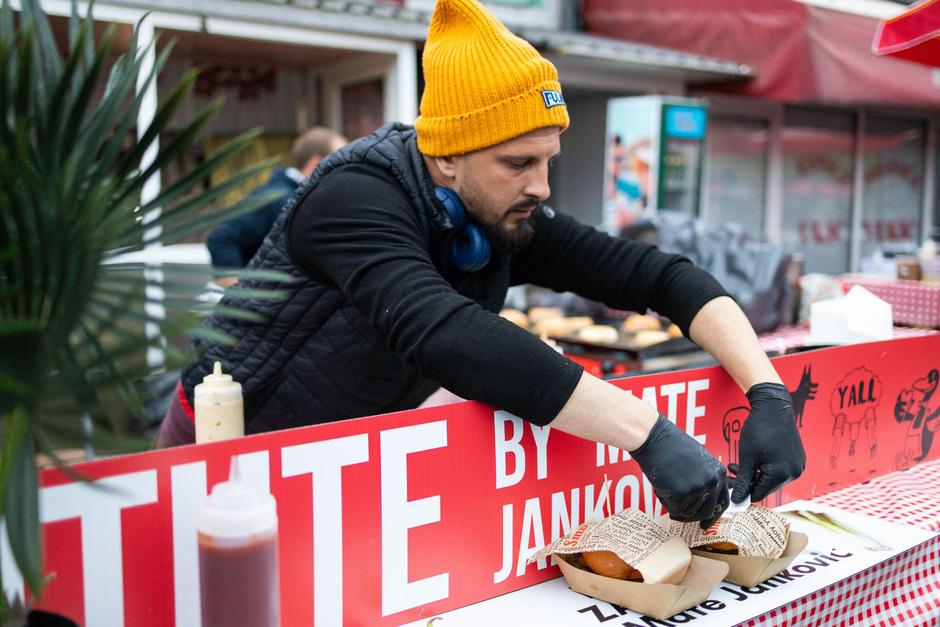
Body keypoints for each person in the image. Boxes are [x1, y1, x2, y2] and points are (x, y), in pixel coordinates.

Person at [159, 0, 805, 529]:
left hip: (337, 461)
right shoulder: (354, 196)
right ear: (447, 159)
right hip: (225, 460)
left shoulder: (500, 210)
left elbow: (655, 275)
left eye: (548, 159)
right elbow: (445, 334)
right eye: (519, 163)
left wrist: (768, 393)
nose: (542, 186)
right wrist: (648, 433)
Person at [206, 126, 347, 287]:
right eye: (340, 161)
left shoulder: (298, 196)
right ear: (316, 162)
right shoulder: (277, 198)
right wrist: (238, 291)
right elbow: (221, 238)